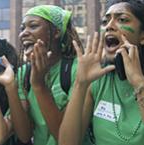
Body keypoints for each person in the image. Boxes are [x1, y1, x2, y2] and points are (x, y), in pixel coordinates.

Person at [0, 4, 86, 145]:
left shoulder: (77, 70)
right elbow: (24, 135)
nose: (23, 34)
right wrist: (10, 86)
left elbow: (63, 138)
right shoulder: (24, 73)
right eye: (22, 29)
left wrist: (39, 84)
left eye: (33, 26)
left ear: (56, 32)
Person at [59, 0, 144, 145]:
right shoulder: (99, 79)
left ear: (142, 35)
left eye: (122, 19)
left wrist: (138, 83)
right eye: (105, 21)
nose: (109, 26)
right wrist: (81, 84)